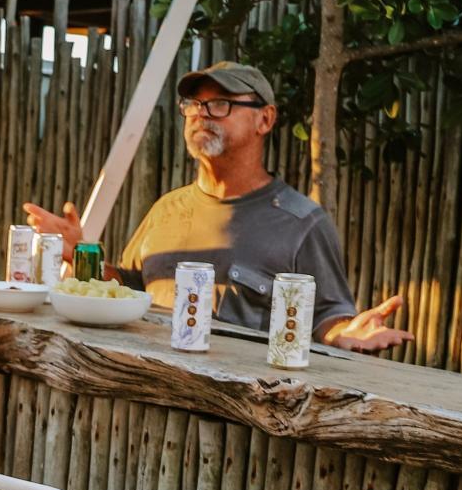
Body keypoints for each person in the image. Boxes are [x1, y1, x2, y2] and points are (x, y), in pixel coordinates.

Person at [23, 61, 413, 352]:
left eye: (221, 103)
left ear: (265, 119)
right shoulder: (167, 209)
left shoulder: (302, 224)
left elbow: (328, 319)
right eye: (194, 104)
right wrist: (82, 253)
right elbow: (131, 290)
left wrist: (346, 332)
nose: (201, 113)